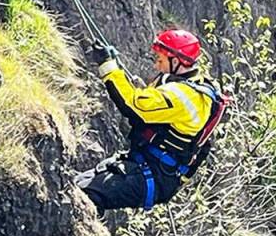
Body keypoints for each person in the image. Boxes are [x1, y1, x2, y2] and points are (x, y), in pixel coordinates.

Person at [75, 28, 227, 214]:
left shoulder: (185, 96)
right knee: (73, 187)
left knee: (86, 196)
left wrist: (108, 66)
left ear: (176, 61)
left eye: (160, 60)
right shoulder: (192, 85)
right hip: (151, 166)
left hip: (154, 173)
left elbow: (133, 106)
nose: (156, 66)